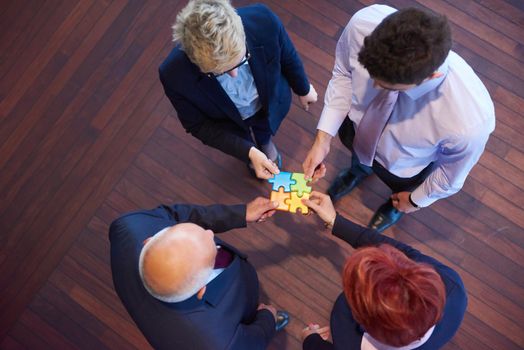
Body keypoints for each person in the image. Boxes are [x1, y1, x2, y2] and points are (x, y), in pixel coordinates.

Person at [302, 5, 495, 232]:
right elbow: (344, 74)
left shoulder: (469, 123)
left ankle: (394, 204)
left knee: (401, 193)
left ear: (431, 76)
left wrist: (414, 200)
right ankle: (358, 170)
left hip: (402, 167)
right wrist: (323, 139)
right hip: (354, 128)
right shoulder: (362, 25)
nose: (371, 87)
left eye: (385, 85)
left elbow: (449, 176)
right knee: (356, 154)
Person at [160, 0, 317, 180]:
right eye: (220, 72)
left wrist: (303, 89)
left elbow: (288, 56)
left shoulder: (264, 21)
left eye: (241, 60)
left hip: (267, 103)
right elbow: (198, 126)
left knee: (264, 127)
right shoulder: (173, 75)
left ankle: (264, 142)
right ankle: (253, 150)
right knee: (242, 139)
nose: (234, 75)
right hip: (229, 121)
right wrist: (248, 151)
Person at [109, 197, 289, 350]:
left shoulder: (127, 226)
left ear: (150, 240)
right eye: (211, 248)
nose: (210, 233)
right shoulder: (223, 343)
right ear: (202, 291)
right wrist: (267, 321)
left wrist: (241, 213)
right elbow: (252, 343)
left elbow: (174, 215)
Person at [300, 191, 467, 349]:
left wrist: (310, 340)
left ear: (362, 318)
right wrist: (335, 221)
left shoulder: (345, 331)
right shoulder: (453, 288)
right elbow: (407, 253)